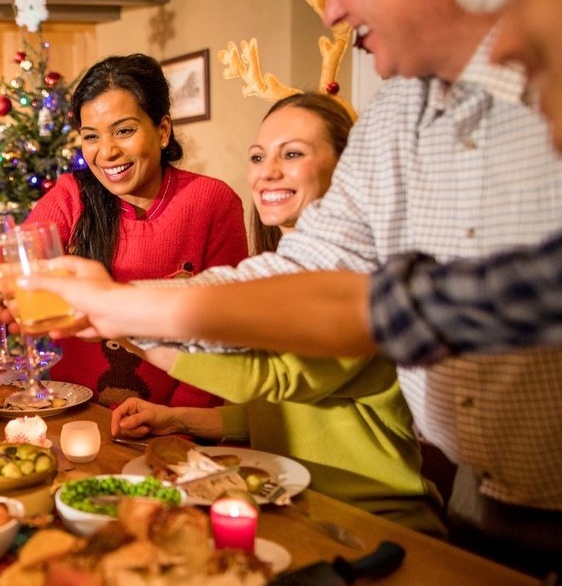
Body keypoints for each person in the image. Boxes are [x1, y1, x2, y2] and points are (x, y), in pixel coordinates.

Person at [19, 0, 562, 586]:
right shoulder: (399, 112)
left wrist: (119, 311)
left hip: (433, 511)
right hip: (473, 501)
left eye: (292, 154)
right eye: (258, 156)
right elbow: (348, 295)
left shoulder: (217, 203)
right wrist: (125, 321)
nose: (329, 12)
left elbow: (317, 343)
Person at [111, 93, 442, 535]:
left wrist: (122, 321)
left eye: (292, 154)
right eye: (257, 156)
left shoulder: (355, 280)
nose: (267, 171)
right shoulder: (272, 276)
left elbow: (273, 377)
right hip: (293, 509)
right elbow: (278, 411)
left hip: (380, 523)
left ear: (346, 170)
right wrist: (173, 418)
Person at [23, 53, 248, 408]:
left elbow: (226, 333)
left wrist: (178, 424)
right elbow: (21, 264)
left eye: (124, 131)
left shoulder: (212, 201)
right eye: (91, 136)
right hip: (80, 415)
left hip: (180, 424)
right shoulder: (71, 195)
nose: (107, 152)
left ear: (162, 131)